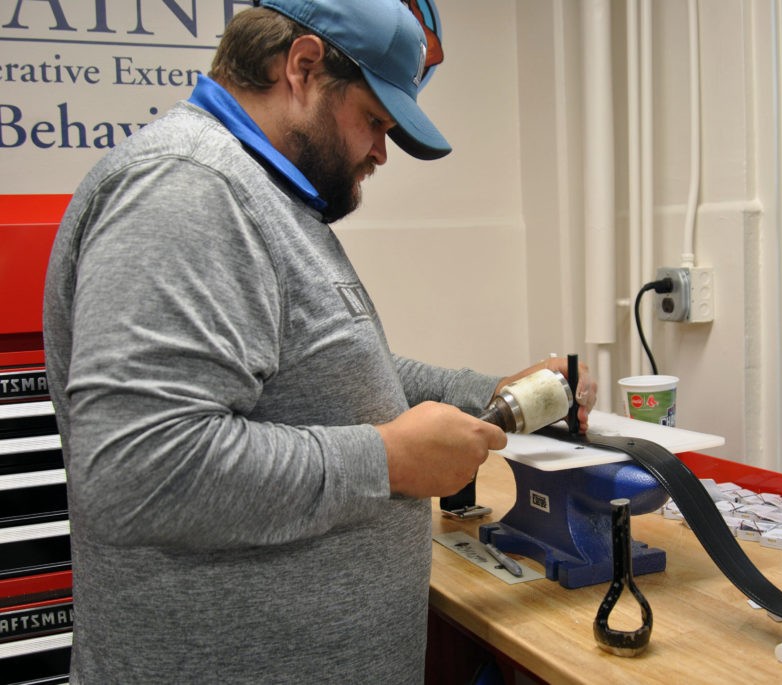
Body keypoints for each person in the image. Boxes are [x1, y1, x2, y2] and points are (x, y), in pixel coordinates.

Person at [41, 1, 597, 682]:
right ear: (302, 68)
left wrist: (489, 391)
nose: (380, 152)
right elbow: (138, 470)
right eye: (373, 120)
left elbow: (316, 368)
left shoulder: (258, 192)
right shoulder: (187, 187)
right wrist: (385, 461)